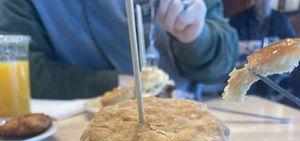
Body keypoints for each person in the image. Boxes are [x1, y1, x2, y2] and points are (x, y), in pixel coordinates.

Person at [0, 0, 238, 99]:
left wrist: (196, 37)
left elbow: (223, 66)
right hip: (72, 135)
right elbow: (21, 71)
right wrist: (115, 84)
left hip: (190, 121)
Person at [230, 0, 296, 41]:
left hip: (272, 60)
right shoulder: (238, 18)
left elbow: (293, 41)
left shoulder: (281, 18)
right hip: (245, 60)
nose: (265, 1)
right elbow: (231, 43)